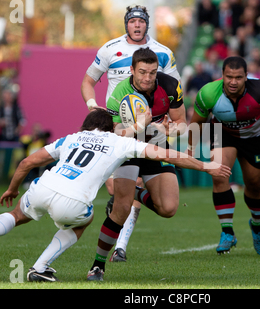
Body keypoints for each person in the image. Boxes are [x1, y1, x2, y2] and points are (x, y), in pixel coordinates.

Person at [0, 107, 231, 282]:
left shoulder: (71, 137)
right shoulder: (121, 142)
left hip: (45, 186)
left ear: (86, 126)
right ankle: (39, 266)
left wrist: (12, 188)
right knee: (85, 221)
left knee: (17, 214)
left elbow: (26, 163)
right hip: (72, 202)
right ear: (109, 128)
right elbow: (169, 155)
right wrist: (207, 166)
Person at [81, 5, 181, 262]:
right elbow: (87, 81)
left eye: (141, 22)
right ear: (126, 24)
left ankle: (121, 244)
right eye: (132, 22)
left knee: (167, 207)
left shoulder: (164, 53)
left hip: (154, 129)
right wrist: (93, 105)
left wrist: (170, 126)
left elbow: (172, 92)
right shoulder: (108, 49)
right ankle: (115, 251)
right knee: (120, 196)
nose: (137, 26)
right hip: (119, 127)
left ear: (147, 24)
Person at [87, 47, 189, 281]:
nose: (147, 78)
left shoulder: (171, 85)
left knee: (168, 208)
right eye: (142, 72)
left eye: (152, 73)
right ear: (132, 70)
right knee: (121, 208)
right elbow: (115, 132)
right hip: (128, 150)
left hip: (157, 147)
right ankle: (97, 266)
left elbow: (182, 122)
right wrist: (140, 127)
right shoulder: (120, 92)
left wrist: (171, 129)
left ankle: (136, 192)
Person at [187, 56, 260, 255]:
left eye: (238, 77)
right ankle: (227, 232)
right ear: (222, 75)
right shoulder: (208, 94)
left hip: (254, 137)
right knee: (218, 173)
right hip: (223, 134)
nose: (233, 81)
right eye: (228, 76)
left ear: (246, 76)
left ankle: (257, 226)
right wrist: (189, 148)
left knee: (254, 184)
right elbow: (197, 123)